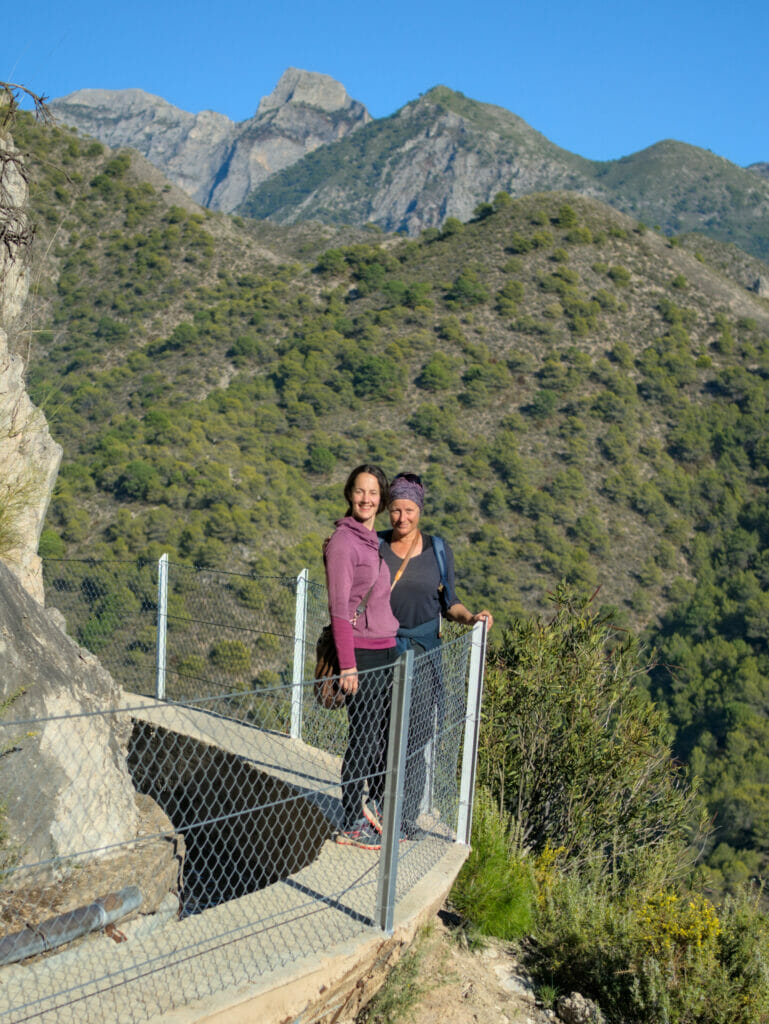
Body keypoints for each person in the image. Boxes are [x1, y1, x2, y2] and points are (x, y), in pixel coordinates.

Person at [378, 472, 493, 835]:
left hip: (425, 653)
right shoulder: (373, 545)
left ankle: (405, 817)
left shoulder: (438, 550)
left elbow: (450, 603)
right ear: (387, 510)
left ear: (419, 510)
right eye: (396, 510)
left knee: (416, 734)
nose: (402, 518)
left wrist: (472, 617)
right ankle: (380, 810)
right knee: (379, 732)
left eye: (409, 510)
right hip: (380, 650)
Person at [323, 464, 399, 849]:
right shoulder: (343, 543)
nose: (366, 498)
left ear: (381, 498)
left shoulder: (373, 542)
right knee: (364, 738)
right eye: (359, 491)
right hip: (362, 656)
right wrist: (348, 665)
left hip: (386, 649)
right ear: (349, 494)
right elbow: (339, 610)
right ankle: (351, 819)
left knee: (381, 736)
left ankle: (372, 809)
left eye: (373, 492)